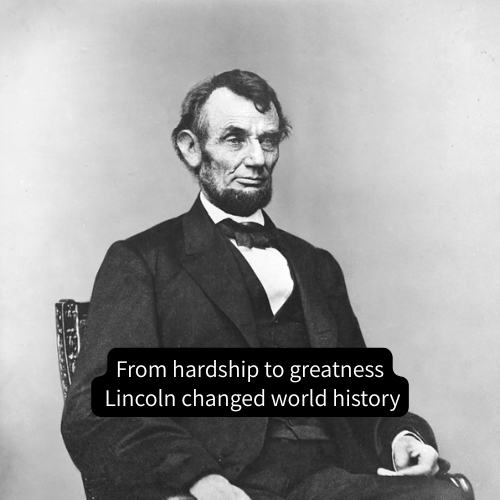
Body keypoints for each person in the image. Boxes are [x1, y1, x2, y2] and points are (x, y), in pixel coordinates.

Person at [61, 69, 465, 500]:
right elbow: (94, 407)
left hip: (331, 480)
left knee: (445, 496)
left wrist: (402, 437)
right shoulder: (144, 260)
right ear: (191, 148)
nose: (257, 159)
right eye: (235, 139)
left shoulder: (316, 265)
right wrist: (199, 480)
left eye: (268, 140)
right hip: (223, 483)